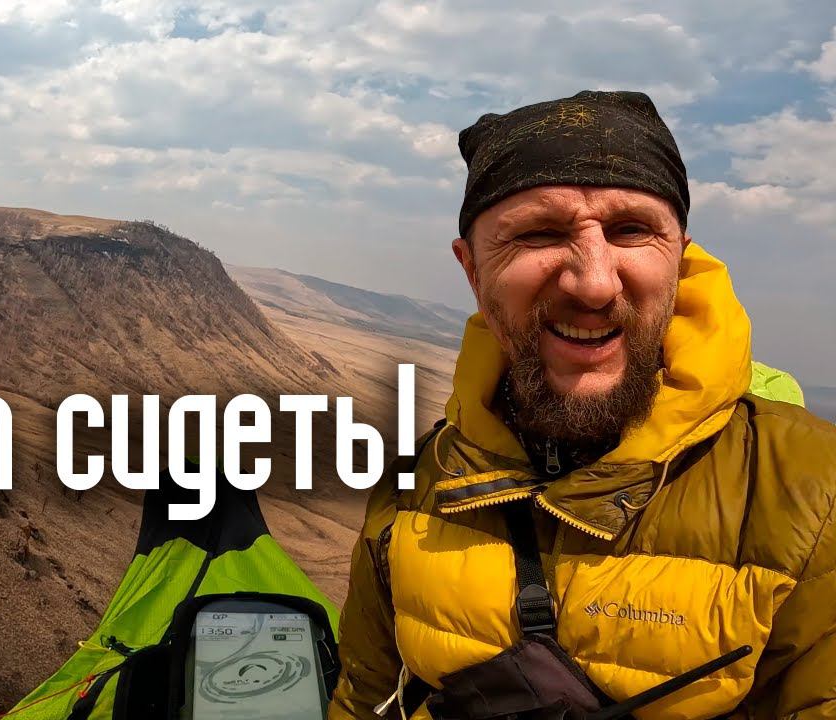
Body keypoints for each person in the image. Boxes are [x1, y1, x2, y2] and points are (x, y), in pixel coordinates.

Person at [329, 91, 836, 719]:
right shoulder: (416, 482)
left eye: (632, 231)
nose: (594, 283)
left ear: (679, 259)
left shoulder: (814, 498)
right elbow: (365, 698)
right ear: (472, 270)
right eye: (539, 233)